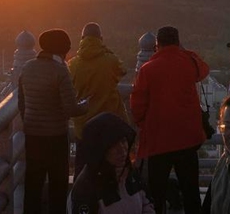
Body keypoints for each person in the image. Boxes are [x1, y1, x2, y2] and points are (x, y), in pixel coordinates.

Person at [130, 26, 208, 214]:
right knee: (190, 191)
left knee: (156, 192)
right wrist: (183, 50)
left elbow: (137, 105)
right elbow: (204, 70)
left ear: (157, 45)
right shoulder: (189, 63)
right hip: (188, 138)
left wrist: (144, 124)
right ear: (178, 42)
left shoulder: (147, 69)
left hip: (158, 140)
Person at [18, 28, 89, 214]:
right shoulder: (60, 71)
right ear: (62, 50)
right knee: (57, 186)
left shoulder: (27, 68)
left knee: (33, 185)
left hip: (32, 136)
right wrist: (86, 104)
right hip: (56, 137)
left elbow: (21, 103)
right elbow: (71, 109)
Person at [68, 22, 130, 174]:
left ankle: (79, 197)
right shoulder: (110, 61)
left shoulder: (72, 64)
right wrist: (104, 51)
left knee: (82, 169)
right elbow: (122, 70)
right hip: (108, 126)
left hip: (83, 127)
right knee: (110, 170)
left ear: (82, 39)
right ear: (101, 39)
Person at [69, 112, 155, 214]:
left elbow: (148, 204)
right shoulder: (86, 187)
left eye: (123, 141)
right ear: (100, 150)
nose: (122, 150)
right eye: (114, 145)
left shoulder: (132, 175)